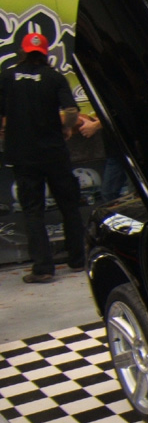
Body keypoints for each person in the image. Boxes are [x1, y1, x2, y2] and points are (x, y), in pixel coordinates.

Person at [0, 33, 84, 284]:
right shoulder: (54, 77)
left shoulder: (7, 77)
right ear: (45, 53)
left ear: (23, 52)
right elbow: (71, 111)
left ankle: (43, 268)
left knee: (33, 211)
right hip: (54, 152)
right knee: (69, 205)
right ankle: (78, 259)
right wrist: (66, 128)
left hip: (22, 154)